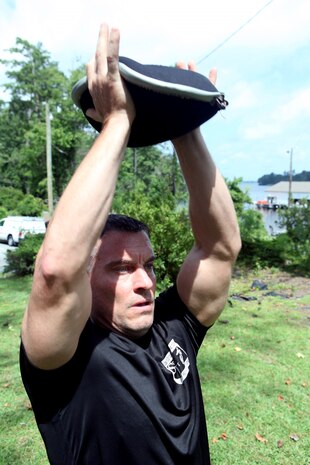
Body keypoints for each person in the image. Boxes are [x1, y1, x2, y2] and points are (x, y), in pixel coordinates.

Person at [20, 23, 241, 465]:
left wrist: (186, 127)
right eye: (120, 269)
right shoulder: (66, 360)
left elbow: (219, 248)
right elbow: (55, 272)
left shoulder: (174, 328)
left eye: (148, 266)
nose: (144, 282)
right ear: (87, 280)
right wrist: (118, 123)